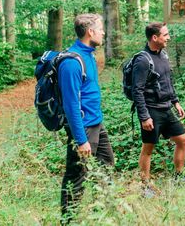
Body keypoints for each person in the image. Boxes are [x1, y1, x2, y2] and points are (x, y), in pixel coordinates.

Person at [59, 13, 114, 221]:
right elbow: (71, 104)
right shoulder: (72, 62)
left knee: (106, 164)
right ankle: (69, 220)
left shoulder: (89, 54)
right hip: (83, 128)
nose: (103, 32)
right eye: (100, 28)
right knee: (76, 176)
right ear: (90, 31)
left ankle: (103, 213)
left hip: (96, 123)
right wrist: (81, 140)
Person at [132, 22, 185, 187]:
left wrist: (175, 102)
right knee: (148, 149)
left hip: (166, 108)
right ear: (154, 37)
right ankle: (145, 187)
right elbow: (138, 91)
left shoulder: (163, 55)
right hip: (152, 111)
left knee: (182, 140)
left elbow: (167, 81)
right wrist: (144, 117)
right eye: (165, 35)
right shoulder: (143, 60)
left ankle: (178, 177)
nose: (169, 38)